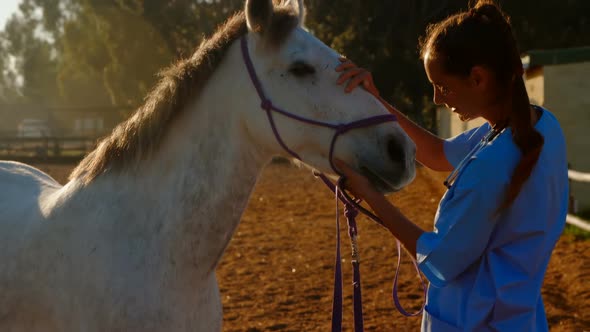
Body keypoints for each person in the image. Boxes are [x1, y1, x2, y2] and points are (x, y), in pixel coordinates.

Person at [333, 1, 569, 331]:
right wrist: (375, 101)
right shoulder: (540, 126)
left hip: (475, 321)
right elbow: (437, 153)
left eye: (442, 86)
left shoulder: (493, 163)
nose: (437, 99)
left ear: (478, 78)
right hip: (519, 319)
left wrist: (370, 193)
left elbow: (439, 261)